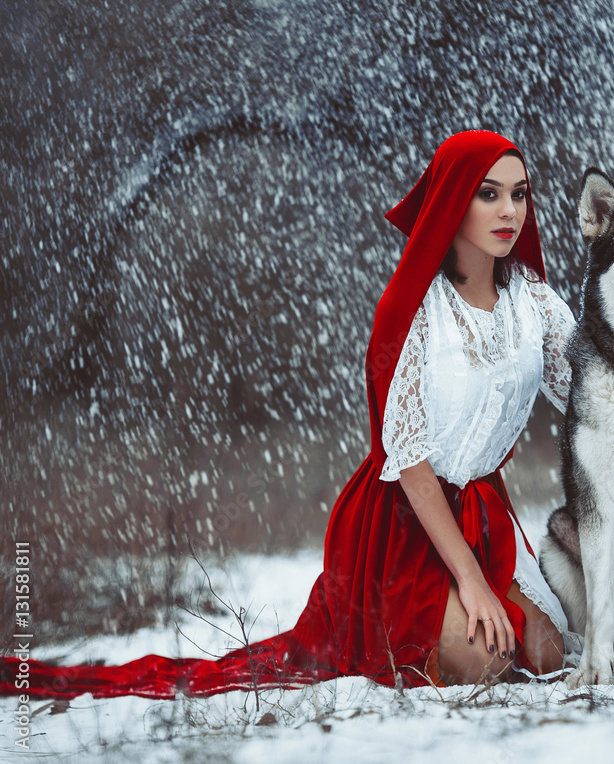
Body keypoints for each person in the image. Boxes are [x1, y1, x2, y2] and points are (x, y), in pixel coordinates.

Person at [1, 130, 578, 699]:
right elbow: (411, 465)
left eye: (519, 193)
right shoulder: (413, 311)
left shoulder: (533, 301)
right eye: (489, 194)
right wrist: (471, 582)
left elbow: (591, 388)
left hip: (481, 519)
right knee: (489, 661)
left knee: (547, 652)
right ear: (452, 203)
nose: (510, 212)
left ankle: (463, 608)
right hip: (400, 530)